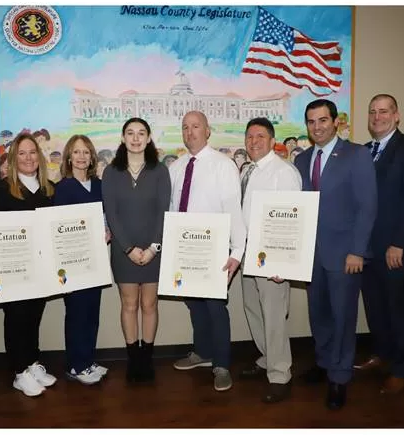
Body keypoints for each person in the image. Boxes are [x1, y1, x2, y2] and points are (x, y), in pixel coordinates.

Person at [293, 99, 377, 410]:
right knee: (319, 314)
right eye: (312, 121)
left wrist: (357, 250)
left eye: (323, 120)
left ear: (335, 122)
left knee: (343, 316)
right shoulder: (301, 160)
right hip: (311, 255)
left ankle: (340, 378)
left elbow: (368, 207)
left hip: (345, 255)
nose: (317, 127)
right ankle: (325, 362)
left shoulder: (356, 155)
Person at [0, 133, 58, 398]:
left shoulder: (48, 189)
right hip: (13, 269)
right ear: (13, 158)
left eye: (32, 153)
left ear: (39, 157)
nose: (28, 158)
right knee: (17, 318)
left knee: (34, 316)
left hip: (40, 268)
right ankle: (20, 373)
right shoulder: (0, 189)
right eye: (22, 153)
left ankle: (32, 363)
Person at [356, 94, 404, 394]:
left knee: (399, 307)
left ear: (397, 115)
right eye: (373, 111)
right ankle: (384, 354)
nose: (378, 117)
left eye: (384, 111)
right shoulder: (364, 151)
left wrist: (399, 243)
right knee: (375, 306)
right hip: (367, 248)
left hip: (395, 248)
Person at [170, 111, 246, 392]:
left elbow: (233, 210)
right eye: (185, 127)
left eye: (196, 126)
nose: (190, 132)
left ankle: (222, 364)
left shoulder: (223, 165)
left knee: (215, 308)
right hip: (186, 250)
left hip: (215, 251)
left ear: (208, 130)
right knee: (195, 305)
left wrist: (237, 252)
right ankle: (203, 353)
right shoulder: (176, 167)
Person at [102, 118, 171, 382]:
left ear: (149, 137)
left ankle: (147, 358)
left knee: (149, 304)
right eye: (130, 133)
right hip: (123, 251)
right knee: (129, 304)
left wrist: (153, 248)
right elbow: (112, 214)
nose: (135, 138)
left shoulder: (159, 170)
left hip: (155, 249)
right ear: (122, 138)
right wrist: (129, 248)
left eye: (141, 133)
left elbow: (163, 212)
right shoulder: (111, 172)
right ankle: (134, 359)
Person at [238, 118, 302, 403]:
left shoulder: (283, 172)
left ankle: (280, 374)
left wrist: (282, 263)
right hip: (247, 252)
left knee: (274, 315)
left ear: (272, 140)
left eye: (260, 136)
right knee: (253, 308)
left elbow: (292, 218)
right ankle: (266, 358)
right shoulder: (246, 171)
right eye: (249, 136)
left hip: (270, 255)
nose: (253, 141)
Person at [53, 135, 110, 385]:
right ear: (68, 157)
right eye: (76, 152)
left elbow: (106, 215)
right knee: (76, 313)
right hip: (73, 262)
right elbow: (58, 226)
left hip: (95, 260)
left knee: (92, 312)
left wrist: (108, 231)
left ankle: (88, 360)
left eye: (86, 152)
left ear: (92, 157)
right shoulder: (63, 187)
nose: (81, 157)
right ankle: (76, 366)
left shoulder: (99, 185)